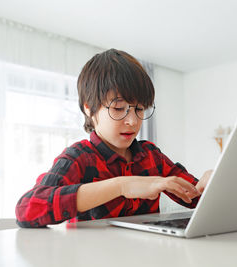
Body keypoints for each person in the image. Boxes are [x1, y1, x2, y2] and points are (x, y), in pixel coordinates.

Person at [15, 49, 212, 228]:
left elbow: (196, 199)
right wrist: (122, 185)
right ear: (89, 108)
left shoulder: (151, 156)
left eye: (140, 109)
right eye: (119, 109)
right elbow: (27, 209)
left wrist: (211, 185)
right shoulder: (79, 157)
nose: (133, 121)